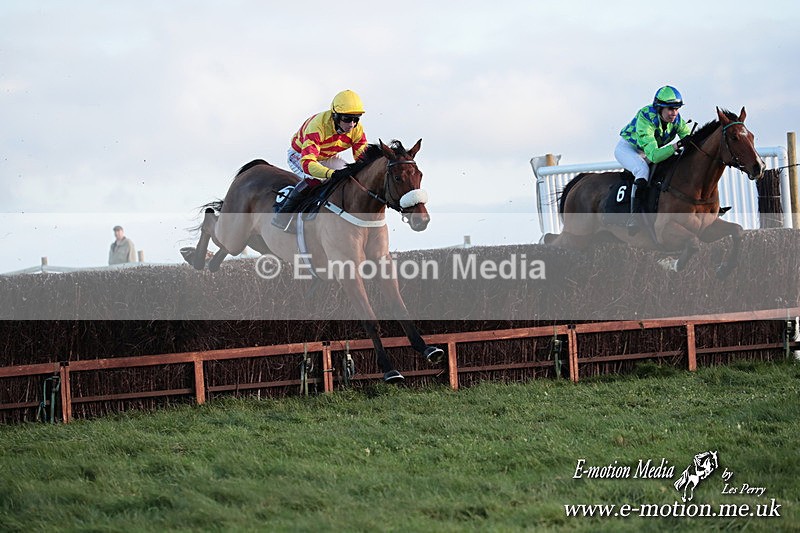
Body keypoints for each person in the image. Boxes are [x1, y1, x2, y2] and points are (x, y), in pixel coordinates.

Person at [272, 89, 368, 230]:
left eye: (356, 119)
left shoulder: (357, 130)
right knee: (316, 179)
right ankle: (283, 216)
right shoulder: (318, 126)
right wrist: (331, 173)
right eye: (347, 119)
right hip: (301, 156)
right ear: (335, 116)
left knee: (349, 178)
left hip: (326, 157)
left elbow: (362, 161)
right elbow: (307, 163)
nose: (352, 124)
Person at [615, 85, 692, 233]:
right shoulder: (646, 117)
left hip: (649, 150)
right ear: (659, 108)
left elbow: (689, 141)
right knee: (642, 170)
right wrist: (677, 145)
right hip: (629, 149)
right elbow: (654, 156)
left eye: (676, 109)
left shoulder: (677, 120)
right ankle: (634, 217)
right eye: (670, 109)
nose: (674, 113)